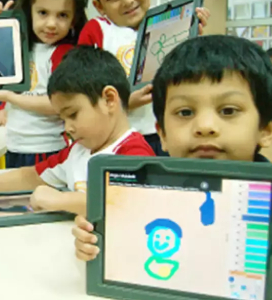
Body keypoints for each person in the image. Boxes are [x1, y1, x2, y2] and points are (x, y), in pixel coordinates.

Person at [72, 35, 272, 261]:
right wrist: (96, 244)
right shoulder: (144, 195)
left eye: (228, 110)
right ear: (162, 134)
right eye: (185, 112)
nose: (204, 127)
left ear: (265, 129)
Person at [0, 46, 154, 213]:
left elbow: (125, 203)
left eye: (73, 114)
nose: (68, 127)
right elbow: (33, 175)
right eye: (63, 118)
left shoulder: (133, 153)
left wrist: (59, 200)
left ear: (109, 99)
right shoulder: (78, 151)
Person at [78, 0, 210, 155]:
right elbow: (81, 89)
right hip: (122, 139)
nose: (128, 1)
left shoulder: (168, 19)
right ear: (99, 6)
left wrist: (193, 38)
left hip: (169, 132)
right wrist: (124, 103)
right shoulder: (97, 30)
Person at [0, 0, 88, 168]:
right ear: (28, 12)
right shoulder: (17, 45)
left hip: (45, 148)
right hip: (14, 145)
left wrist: (13, 98)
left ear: (73, 20)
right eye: (43, 13)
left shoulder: (64, 53)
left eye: (62, 15)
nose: (51, 24)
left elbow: (59, 104)